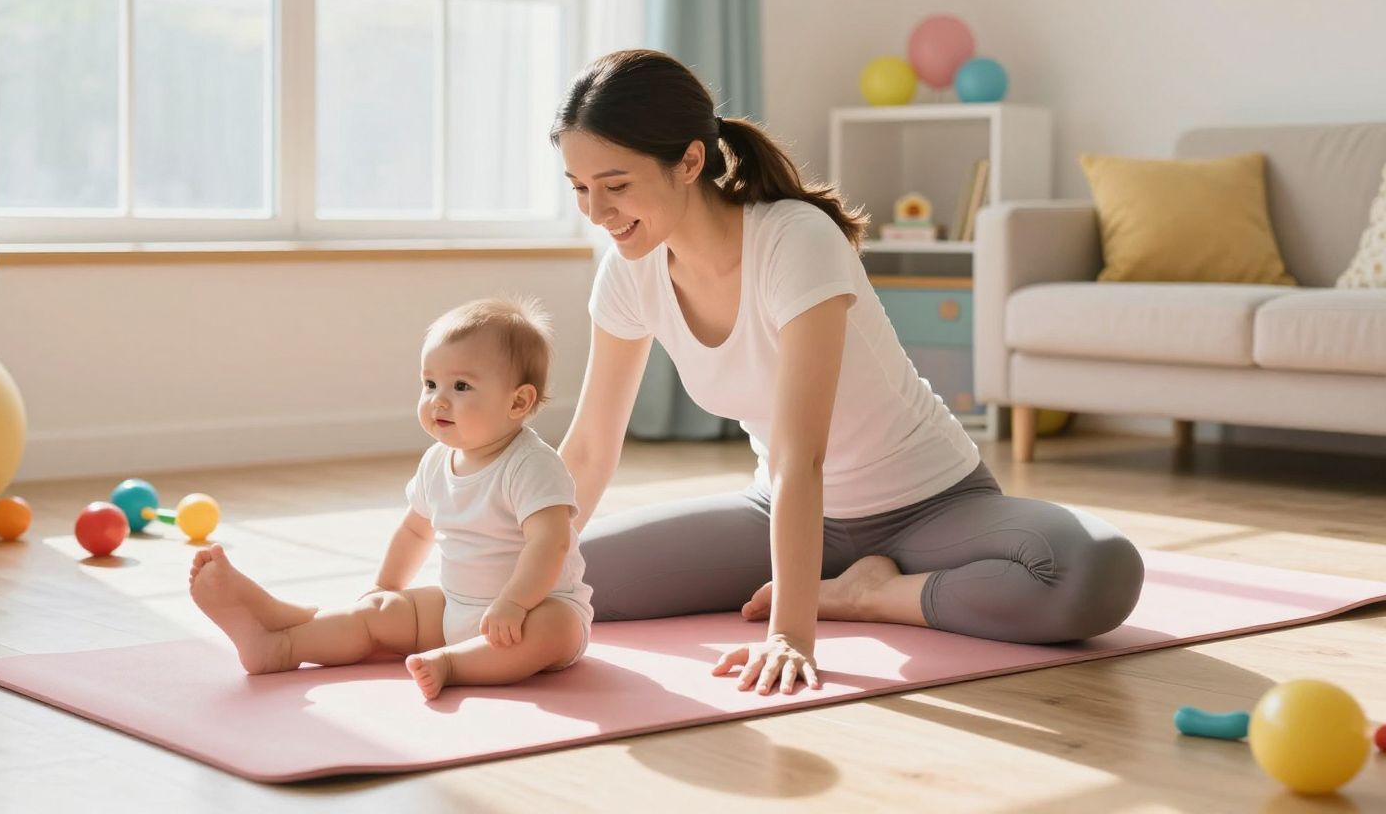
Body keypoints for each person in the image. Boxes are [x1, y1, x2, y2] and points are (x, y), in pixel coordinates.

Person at [552, 49, 1145, 697]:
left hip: (930, 505)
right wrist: (504, 580)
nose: (596, 211)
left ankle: (875, 596)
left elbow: (801, 453)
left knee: (1094, 570)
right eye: (579, 188)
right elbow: (589, 447)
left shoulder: (794, 240)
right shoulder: (629, 270)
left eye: (615, 185)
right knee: (572, 577)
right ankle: (842, 583)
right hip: (783, 509)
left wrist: (790, 633)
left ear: (690, 161)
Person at [189, 297, 593, 700]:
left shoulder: (532, 465)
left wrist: (514, 603)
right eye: (430, 384)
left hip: (534, 610)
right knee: (379, 615)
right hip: (455, 607)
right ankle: (281, 643)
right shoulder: (437, 462)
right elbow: (415, 532)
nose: (438, 399)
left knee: (553, 629)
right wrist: (385, 586)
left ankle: (453, 664)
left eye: (461, 386)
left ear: (518, 402)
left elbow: (550, 543)